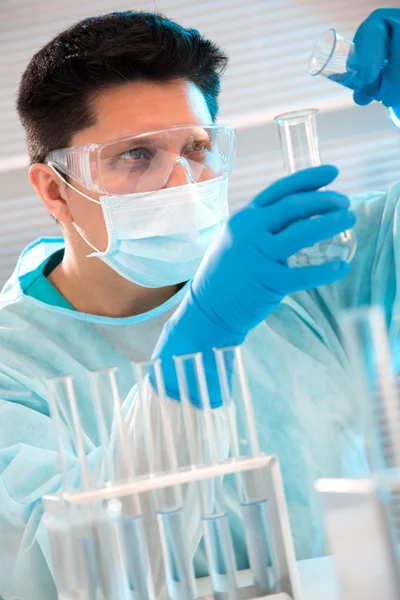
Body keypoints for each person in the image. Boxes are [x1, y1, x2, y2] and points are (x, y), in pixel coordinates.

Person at [0, 7, 399, 599]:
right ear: (56, 191)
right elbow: (68, 577)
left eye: (196, 146)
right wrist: (200, 339)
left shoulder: (299, 264)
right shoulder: (14, 366)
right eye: (135, 154)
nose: (183, 182)